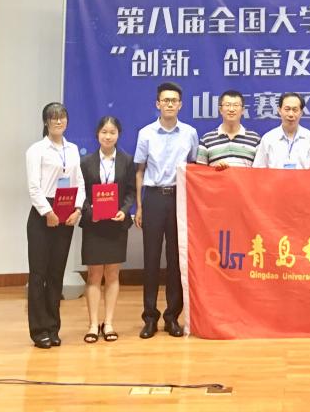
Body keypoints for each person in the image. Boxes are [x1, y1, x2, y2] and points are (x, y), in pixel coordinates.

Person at [134, 81, 199, 339]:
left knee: (176, 259)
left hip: (179, 198)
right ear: (157, 104)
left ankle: (172, 316)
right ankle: (150, 317)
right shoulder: (146, 133)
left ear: (180, 105)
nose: (170, 104)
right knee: (150, 259)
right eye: (165, 100)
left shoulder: (190, 133)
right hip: (152, 198)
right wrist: (139, 206)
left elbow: (193, 168)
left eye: (174, 100)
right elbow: (139, 171)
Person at [25, 102, 84, 349]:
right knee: (39, 274)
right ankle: (38, 330)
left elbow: (79, 181)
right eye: (53, 118)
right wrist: (47, 212)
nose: (58, 121)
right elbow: (34, 187)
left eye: (62, 117)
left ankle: (53, 327)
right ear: (46, 122)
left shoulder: (72, 149)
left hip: (66, 210)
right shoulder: (36, 150)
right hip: (43, 214)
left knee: (56, 273)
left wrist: (78, 209)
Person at [79, 115, 136, 344]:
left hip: (116, 224)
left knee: (112, 274)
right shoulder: (86, 162)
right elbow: (81, 193)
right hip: (94, 225)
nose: (108, 136)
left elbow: (131, 191)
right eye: (104, 132)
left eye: (112, 132)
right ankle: (93, 324)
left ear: (118, 135)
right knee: (94, 275)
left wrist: (124, 210)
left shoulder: (127, 161)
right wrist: (90, 211)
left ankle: (109, 322)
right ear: (97, 135)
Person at [252, 92, 310, 170]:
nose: (290, 114)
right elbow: (258, 170)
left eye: (295, 110)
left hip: (303, 178)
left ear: (301, 113)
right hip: (275, 178)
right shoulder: (268, 138)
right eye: (287, 109)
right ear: (279, 110)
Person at [197, 90, 261, 169]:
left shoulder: (255, 139)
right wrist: (214, 170)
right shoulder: (206, 140)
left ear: (243, 110)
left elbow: (259, 172)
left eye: (236, 105)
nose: (231, 109)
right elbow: (200, 172)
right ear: (220, 109)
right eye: (227, 105)